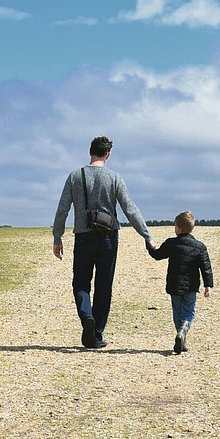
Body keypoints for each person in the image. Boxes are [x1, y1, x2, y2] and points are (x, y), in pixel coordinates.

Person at [52, 136, 153, 349]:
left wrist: (57, 237)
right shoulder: (115, 178)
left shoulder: (75, 176)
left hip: (83, 237)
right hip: (108, 238)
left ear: (90, 152)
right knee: (103, 286)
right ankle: (96, 334)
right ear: (108, 155)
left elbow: (63, 209)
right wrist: (146, 235)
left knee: (80, 283)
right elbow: (129, 208)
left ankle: (86, 316)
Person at [146, 210, 214, 355]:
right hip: (190, 287)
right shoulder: (199, 247)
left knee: (177, 312)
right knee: (188, 312)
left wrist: (149, 244)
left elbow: (157, 255)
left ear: (178, 228)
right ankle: (183, 333)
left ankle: (181, 335)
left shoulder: (171, 244)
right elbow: (206, 267)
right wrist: (208, 285)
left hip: (174, 285)